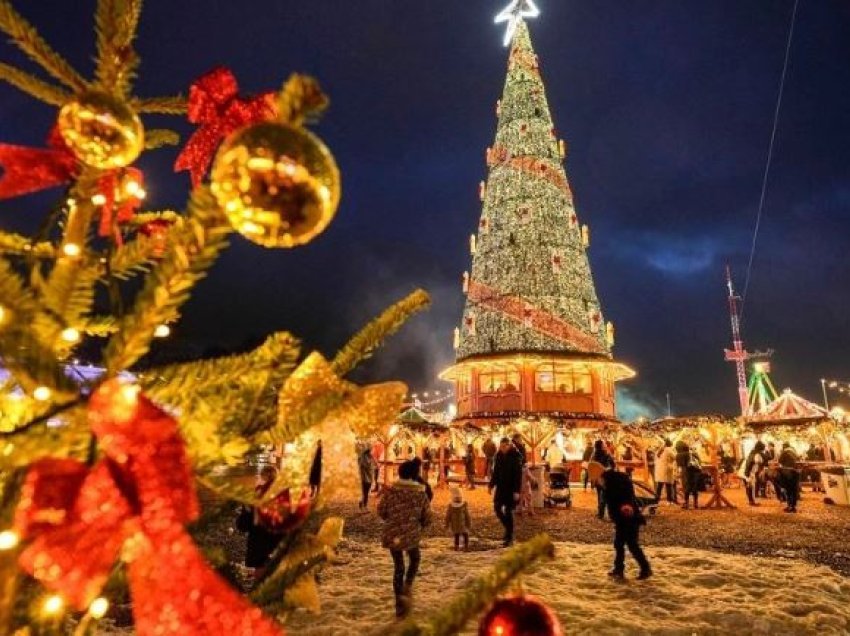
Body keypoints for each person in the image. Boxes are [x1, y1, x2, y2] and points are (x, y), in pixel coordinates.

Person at [377, 460, 432, 618]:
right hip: (411, 535)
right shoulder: (420, 493)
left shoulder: (391, 491)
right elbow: (427, 517)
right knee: (415, 559)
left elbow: (381, 511)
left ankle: (399, 604)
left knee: (398, 567)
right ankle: (408, 586)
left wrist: (392, 518)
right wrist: (419, 524)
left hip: (393, 534)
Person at [598, 467, 652, 581]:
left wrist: (626, 507)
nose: (599, 483)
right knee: (620, 544)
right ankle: (620, 569)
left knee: (631, 544)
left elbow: (624, 501)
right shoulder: (617, 484)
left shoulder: (614, 487)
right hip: (624, 519)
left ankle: (645, 568)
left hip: (627, 519)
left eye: (600, 480)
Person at [236, 465, 283, 582]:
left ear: (262, 478)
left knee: (261, 582)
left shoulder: (253, 498)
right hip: (278, 546)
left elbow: (243, 526)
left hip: (259, 547)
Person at [489, 437, 523, 546]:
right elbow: (496, 472)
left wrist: (517, 491)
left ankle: (509, 536)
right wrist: (491, 485)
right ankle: (508, 530)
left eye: (504, 446)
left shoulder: (515, 457)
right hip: (500, 487)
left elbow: (518, 475)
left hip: (511, 488)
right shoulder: (498, 456)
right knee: (497, 508)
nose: (502, 449)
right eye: (501, 447)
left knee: (508, 512)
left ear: (509, 446)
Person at [590, 440, 615, 519]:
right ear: (601, 446)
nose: (605, 445)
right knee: (606, 496)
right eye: (603, 444)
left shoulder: (594, 455)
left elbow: (591, 466)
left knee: (599, 495)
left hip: (598, 478)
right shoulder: (606, 454)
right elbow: (612, 465)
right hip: (605, 477)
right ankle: (610, 514)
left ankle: (600, 513)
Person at [676, 440, 702, 510]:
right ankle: (695, 504)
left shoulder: (679, 455)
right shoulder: (692, 453)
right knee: (694, 488)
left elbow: (679, 465)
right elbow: (699, 461)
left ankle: (686, 503)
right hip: (694, 472)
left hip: (685, 473)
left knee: (686, 488)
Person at [445, 486, 472, 551]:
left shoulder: (450, 506)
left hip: (455, 525)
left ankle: (456, 547)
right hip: (463, 524)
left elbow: (448, 516)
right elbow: (467, 515)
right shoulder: (463, 505)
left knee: (456, 535)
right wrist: (469, 524)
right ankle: (466, 546)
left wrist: (447, 524)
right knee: (465, 535)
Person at [741, 441, 766, 506]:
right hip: (749, 472)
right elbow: (758, 462)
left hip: (747, 472)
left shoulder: (752, 453)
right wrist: (748, 475)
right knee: (751, 487)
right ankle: (752, 502)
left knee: (749, 487)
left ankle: (751, 501)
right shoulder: (756, 454)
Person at [778, 442, 800, 513]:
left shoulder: (785, 452)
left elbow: (780, 461)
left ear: (784, 446)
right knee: (794, 490)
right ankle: (793, 506)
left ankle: (789, 506)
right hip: (796, 472)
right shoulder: (794, 452)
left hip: (787, 473)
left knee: (788, 490)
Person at [654, 439, 677, 504]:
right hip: (667, 470)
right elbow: (675, 457)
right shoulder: (669, 450)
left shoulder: (659, 450)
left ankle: (656, 499)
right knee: (668, 486)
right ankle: (669, 500)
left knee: (659, 486)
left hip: (659, 470)